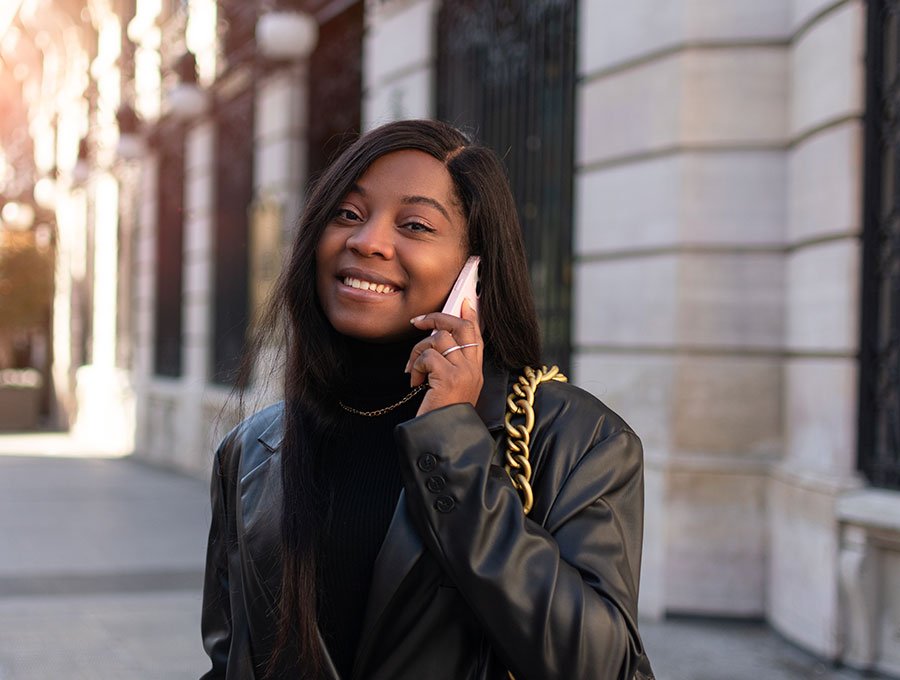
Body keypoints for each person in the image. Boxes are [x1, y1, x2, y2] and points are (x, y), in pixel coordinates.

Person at [200, 119, 654, 680]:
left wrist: (455, 449)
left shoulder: (574, 438)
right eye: (347, 214)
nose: (367, 240)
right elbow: (229, 662)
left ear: (475, 271)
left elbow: (603, 666)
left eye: (415, 225)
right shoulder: (251, 450)